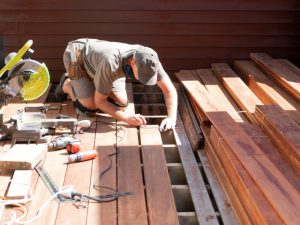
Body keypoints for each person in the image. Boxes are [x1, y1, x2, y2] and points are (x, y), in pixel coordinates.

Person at [55, 38, 177, 131]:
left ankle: (96, 83)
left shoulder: (150, 60)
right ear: (133, 63)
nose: (144, 80)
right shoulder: (111, 61)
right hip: (77, 56)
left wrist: (171, 117)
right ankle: (67, 84)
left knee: (122, 103)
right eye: (143, 75)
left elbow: (169, 90)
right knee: (89, 107)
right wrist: (126, 119)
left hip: (101, 65)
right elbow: (100, 102)